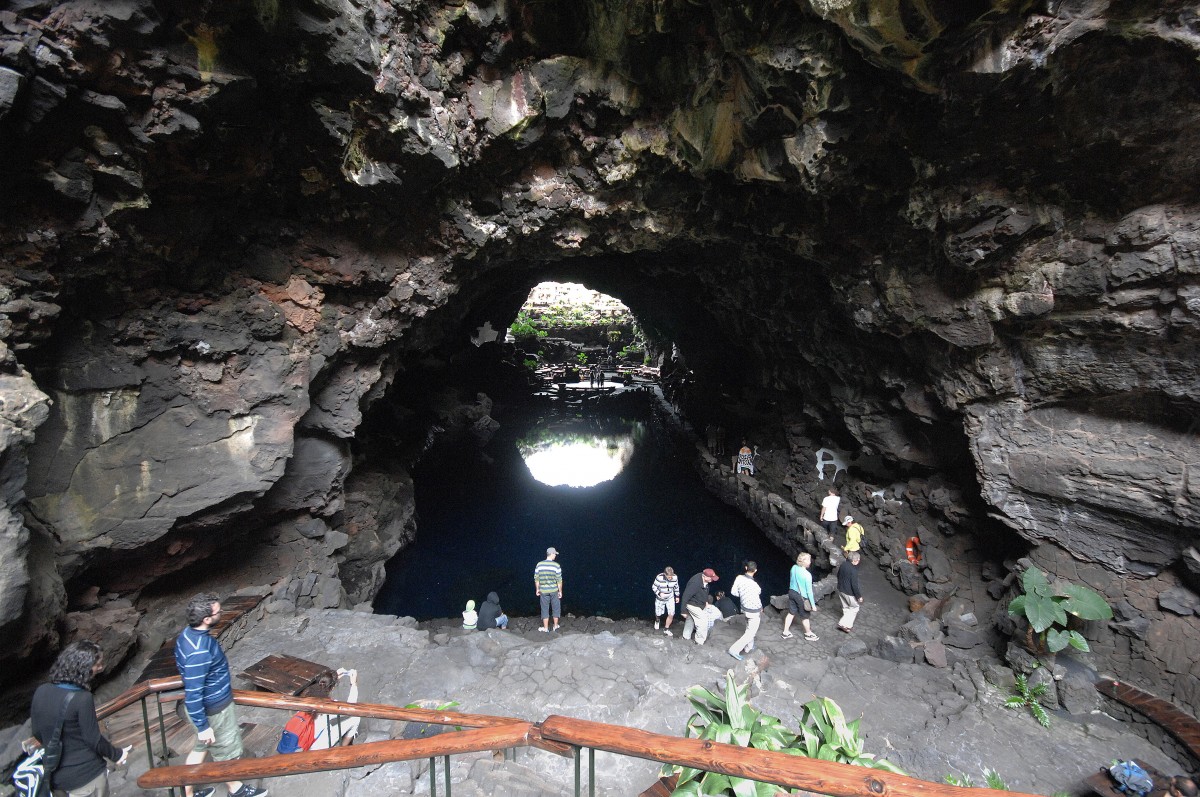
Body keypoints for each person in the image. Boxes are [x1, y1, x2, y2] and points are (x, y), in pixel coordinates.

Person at [175, 593, 268, 797]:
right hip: (214, 711)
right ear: (206, 619)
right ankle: (236, 790)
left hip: (208, 708)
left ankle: (188, 794)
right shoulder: (199, 652)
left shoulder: (187, 636)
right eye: (219, 612)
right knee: (227, 752)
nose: (222, 613)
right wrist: (203, 726)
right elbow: (193, 692)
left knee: (200, 750)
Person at [30, 641, 130, 797]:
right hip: (86, 775)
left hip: (56, 777)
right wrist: (117, 754)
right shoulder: (82, 699)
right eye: (97, 664)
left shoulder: (41, 691)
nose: (101, 667)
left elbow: (37, 732)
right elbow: (93, 739)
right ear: (83, 667)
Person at [728, 561, 763, 661]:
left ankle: (749, 647)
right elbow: (758, 594)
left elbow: (733, 592)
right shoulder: (755, 585)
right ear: (755, 571)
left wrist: (743, 595)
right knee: (751, 632)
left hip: (744, 608)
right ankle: (734, 650)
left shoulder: (738, 578)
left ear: (746, 568)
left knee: (749, 627)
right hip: (754, 610)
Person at [782, 552, 819, 642]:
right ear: (804, 561)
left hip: (791, 592)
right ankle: (808, 634)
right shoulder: (807, 575)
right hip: (801, 597)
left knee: (791, 613)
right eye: (808, 560)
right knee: (805, 616)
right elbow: (809, 592)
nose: (810, 562)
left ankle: (785, 632)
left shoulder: (794, 568)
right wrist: (813, 605)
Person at [680, 568, 719, 641]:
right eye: (711, 578)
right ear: (705, 576)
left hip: (700, 603)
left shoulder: (705, 580)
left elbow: (705, 590)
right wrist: (683, 611)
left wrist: (706, 601)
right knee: (703, 621)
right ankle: (699, 641)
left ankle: (685, 637)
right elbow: (686, 596)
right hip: (692, 603)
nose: (712, 580)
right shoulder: (695, 583)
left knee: (690, 619)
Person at [535, 547, 563, 632]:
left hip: (543, 591)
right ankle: (555, 626)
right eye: (555, 554)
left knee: (544, 609)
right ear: (551, 554)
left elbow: (537, 579)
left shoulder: (539, 564)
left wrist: (537, 589)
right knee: (556, 608)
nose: (555, 556)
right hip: (554, 590)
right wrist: (560, 591)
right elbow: (559, 580)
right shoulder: (556, 565)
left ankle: (546, 628)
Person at [836, 551, 865, 633]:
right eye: (858, 560)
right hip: (849, 592)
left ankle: (846, 625)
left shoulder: (843, 564)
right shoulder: (853, 570)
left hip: (840, 589)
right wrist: (859, 596)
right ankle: (844, 624)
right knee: (855, 608)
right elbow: (854, 585)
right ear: (855, 560)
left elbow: (838, 575)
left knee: (846, 607)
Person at [652, 566, 681, 635]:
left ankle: (666, 629)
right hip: (660, 598)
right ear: (665, 575)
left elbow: (676, 586)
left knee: (671, 613)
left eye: (671, 576)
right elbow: (654, 587)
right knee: (658, 613)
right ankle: (657, 620)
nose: (670, 578)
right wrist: (659, 593)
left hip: (670, 597)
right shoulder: (659, 577)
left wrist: (677, 595)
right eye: (669, 577)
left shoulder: (675, 577)